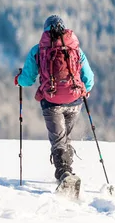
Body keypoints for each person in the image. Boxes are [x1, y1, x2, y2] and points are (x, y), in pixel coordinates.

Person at [15, 15, 94, 182]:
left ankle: (64, 173)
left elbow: (27, 80)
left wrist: (18, 79)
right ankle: (67, 169)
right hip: (75, 101)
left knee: (58, 139)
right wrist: (85, 90)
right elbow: (89, 77)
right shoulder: (75, 48)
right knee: (66, 136)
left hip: (51, 102)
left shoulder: (38, 50)